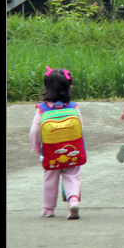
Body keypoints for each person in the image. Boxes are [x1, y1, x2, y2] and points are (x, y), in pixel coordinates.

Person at [30, 66, 82, 219]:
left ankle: (48, 209)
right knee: (72, 174)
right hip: (71, 150)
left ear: (47, 87)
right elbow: (81, 129)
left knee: (50, 177)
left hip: (51, 152)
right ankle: (73, 200)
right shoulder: (73, 107)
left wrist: (37, 149)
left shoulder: (42, 109)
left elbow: (34, 131)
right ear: (68, 88)